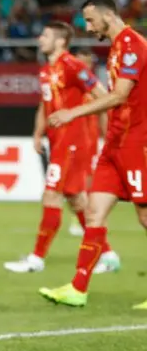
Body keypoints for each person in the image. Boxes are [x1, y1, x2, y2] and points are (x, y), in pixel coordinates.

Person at [41, 0, 147, 308]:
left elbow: (119, 96)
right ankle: (78, 288)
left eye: (89, 20)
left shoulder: (133, 46)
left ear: (107, 14)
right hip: (114, 144)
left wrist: (72, 113)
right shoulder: (115, 49)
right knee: (93, 212)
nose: (87, 28)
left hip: (136, 143)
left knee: (144, 216)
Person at [4, 22, 119, 274]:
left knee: (51, 195)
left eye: (45, 35)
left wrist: (76, 114)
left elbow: (104, 95)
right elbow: (46, 107)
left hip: (74, 142)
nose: (39, 38)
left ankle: (36, 258)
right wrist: (38, 133)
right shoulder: (47, 70)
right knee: (77, 200)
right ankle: (108, 254)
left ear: (60, 41)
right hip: (58, 142)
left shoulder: (72, 65)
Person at [67, 49, 108, 237]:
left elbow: (104, 113)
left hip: (88, 142)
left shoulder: (95, 89)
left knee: (87, 183)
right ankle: (86, 218)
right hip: (70, 141)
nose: (85, 66)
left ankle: (88, 219)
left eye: (88, 62)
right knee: (74, 187)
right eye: (82, 62)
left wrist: (107, 138)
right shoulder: (70, 86)